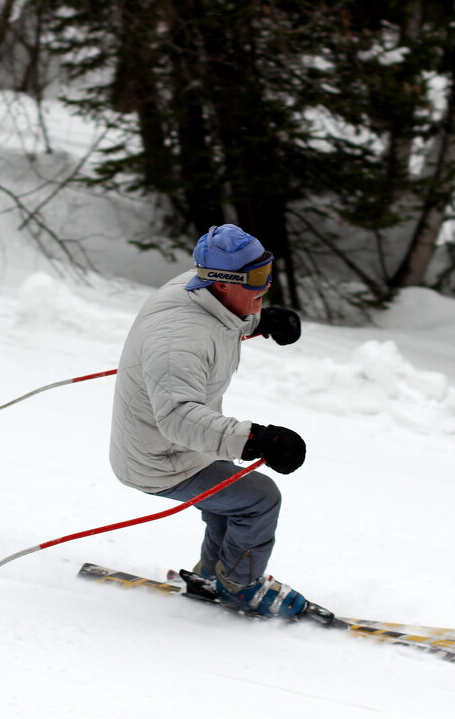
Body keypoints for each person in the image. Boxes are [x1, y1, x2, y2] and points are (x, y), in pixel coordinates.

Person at [109, 223, 309, 617]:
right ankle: (240, 586)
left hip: (181, 445)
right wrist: (258, 441)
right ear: (220, 283)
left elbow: (218, 319)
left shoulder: (202, 289)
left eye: (268, 271)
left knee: (234, 499)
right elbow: (179, 417)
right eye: (256, 279)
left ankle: (218, 573)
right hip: (161, 458)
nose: (265, 285)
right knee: (259, 498)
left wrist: (260, 320)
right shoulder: (178, 340)